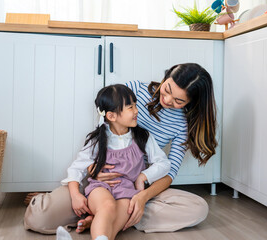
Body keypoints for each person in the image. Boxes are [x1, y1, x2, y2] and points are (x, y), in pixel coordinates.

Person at [24, 63, 218, 234]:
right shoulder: (131, 90)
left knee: (197, 208)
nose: (166, 100)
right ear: (166, 77)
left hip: (133, 188)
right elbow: (102, 133)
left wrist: (142, 196)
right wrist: (94, 170)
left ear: (191, 103)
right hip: (99, 184)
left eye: (178, 101)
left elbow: (169, 170)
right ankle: (108, 216)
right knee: (39, 217)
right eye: (166, 89)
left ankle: (105, 219)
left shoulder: (182, 125)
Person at [58, 84, 170, 240]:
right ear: (111, 116)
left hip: (127, 191)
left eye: (135, 105)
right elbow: (77, 168)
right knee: (107, 207)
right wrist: (75, 194)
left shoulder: (143, 137)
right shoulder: (98, 139)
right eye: (130, 107)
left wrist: (143, 176)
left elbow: (164, 164)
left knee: (119, 219)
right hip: (100, 187)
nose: (136, 111)